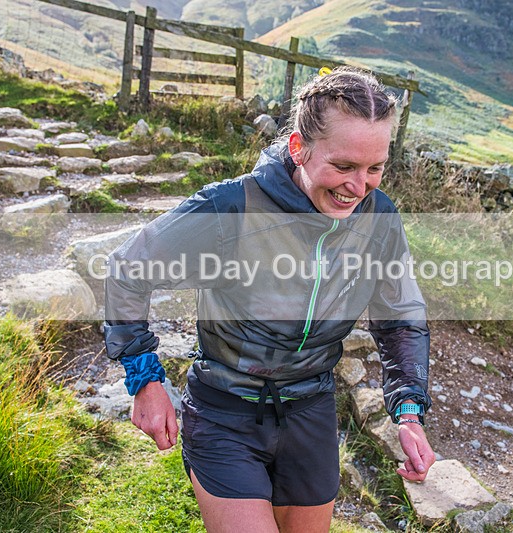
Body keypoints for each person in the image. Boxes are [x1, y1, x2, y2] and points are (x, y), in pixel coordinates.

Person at [103, 66, 435, 533]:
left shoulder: (379, 218)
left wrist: (408, 412)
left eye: (375, 168)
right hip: (225, 409)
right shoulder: (231, 207)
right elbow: (128, 268)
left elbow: (399, 318)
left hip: (311, 411)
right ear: (298, 148)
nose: (358, 188)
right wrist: (144, 378)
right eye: (343, 166)